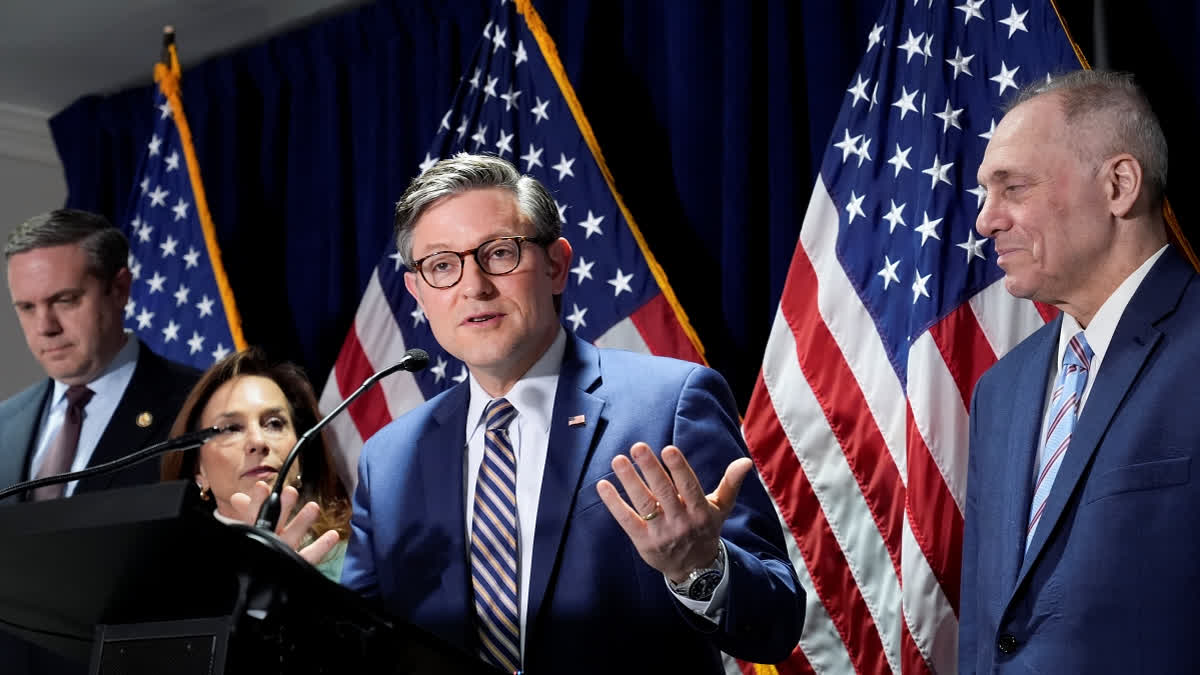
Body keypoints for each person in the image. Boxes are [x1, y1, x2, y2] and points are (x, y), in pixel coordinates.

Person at [340, 153, 804, 673]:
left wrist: (700, 568)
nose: (473, 286)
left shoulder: (672, 401)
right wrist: (268, 586)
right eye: (443, 266)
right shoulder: (389, 459)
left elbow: (776, 624)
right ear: (418, 293)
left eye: (499, 253)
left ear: (556, 265)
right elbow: (358, 644)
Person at [960, 70, 1200, 672]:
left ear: (1119, 184)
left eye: (1012, 188)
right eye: (985, 194)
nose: (986, 221)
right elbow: (992, 634)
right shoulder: (1001, 389)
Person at [0, 211, 201, 672]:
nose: (44, 326)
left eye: (65, 300)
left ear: (119, 288)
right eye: (26, 308)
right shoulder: (4, 426)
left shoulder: (198, 411)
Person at [162, 348, 351, 581]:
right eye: (231, 428)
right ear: (199, 471)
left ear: (300, 456)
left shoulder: (355, 561)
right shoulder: (165, 575)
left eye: (274, 423)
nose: (258, 441)